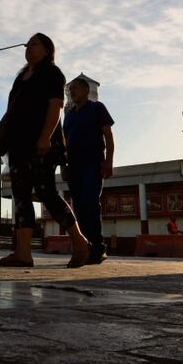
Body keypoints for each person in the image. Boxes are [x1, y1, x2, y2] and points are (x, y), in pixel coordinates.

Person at [0, 33, 89, 268]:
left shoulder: (52, 73)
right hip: (19, 144)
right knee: (21, 195)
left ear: (47, 49)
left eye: (34, 43)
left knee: (46, 192)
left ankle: (80, 242)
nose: (28, 47)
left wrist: (45, 137)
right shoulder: (21, 77)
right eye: (27, 44)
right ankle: (23, 253)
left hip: (41, 142)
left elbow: (55, 106)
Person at [63, 76, 115, 264]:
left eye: (75, 88)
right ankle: (84, 247)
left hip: (93, 164)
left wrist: (109, 161)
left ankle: (98, 247)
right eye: (70, 90)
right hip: (74, 167)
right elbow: (64, 144)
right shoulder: (69, 115)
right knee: (79, 207)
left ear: (86, 90)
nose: (72, 92)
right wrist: (63, 166)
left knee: (90, 203)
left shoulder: (97, 108)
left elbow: (108, 136)